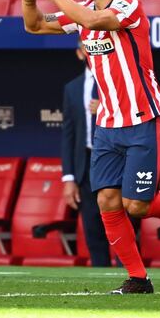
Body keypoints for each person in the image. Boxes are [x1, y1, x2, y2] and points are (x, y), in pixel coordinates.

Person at [21, 0, 160, 294]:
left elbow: (95, 22)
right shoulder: (81, 13)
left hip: (143, 118)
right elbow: (33, 26)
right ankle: (138, 278)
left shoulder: (128, 7)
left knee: (136, 205)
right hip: (107, 124)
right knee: (107, 200)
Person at [61, 42, 110, 267]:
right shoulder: (72, 88)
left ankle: (131, 274)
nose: (92, 53)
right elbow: (69, 135)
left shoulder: (114, 82)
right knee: (92, 226)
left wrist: (105, 108)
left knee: (120, 220)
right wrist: (69, 178)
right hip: (86, 164)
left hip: (113, 160)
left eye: (95, 49)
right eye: (87, 50)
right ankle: (101, 276)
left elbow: (131, 114)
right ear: (80, 53)